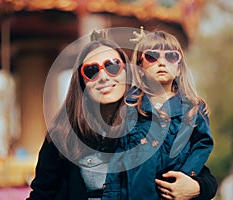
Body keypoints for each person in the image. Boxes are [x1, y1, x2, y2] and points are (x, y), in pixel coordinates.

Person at [27, 29, 217, 200]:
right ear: (81, 81)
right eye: (91, 70)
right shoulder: (64, 134)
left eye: (112, 66)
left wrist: (198, 187)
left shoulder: (145, 120)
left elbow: (199, 172)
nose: (103, 77)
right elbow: (43, 194)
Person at [103, 30, 214, 200]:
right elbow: (117, 159)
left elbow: (203, 144)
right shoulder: (130, 107)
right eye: (152, 56)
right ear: (140, 68)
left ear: (179, 68)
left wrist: (187, 175)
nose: (162, 62)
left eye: (171, 57)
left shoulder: (193, 109)